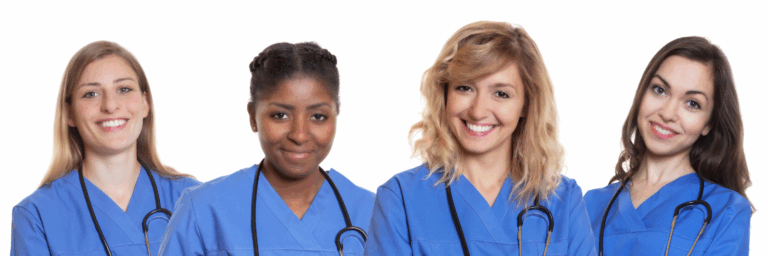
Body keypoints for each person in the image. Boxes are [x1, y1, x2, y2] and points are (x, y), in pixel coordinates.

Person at [364, 21, 596, 256]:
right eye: (465, 88)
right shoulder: (401, 199)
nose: (478, 111)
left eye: (501, 94)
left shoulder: (563, 201)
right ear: (444, 94)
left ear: (526, 104)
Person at [158, 42, 375, 256]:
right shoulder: (203, 210)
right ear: (253, 116)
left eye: (318, 116)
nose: (299, 135)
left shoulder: (374, 213)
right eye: (280, 115)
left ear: (336, 115)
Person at [11, 41, 200, 256]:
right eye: (91, 94)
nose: (110, 105)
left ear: (145, 103)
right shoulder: (37, 216)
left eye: (124, 89)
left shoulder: (194, 200)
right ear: (69, 113)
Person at [583, 36, 753, 255]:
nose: (667, 113)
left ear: (708, 123)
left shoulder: (726, 211)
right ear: (641, 93)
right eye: (659, 90)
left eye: (692, 103)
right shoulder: (591, 205)